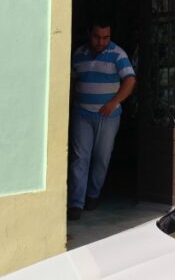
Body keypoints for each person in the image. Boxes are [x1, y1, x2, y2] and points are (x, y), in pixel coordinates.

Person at [68, 20, 136, 221]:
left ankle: (93, 194)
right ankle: (76, 203)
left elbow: (130, 80)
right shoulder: (79, 54)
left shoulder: (118, 54)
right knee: (80, 157)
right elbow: (72, 80)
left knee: (101, 157)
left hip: (108, 116)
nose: (101, 42)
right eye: (97, 37)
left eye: (106, 38)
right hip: (82, 113)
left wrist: (113, 103)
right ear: (90, 34)